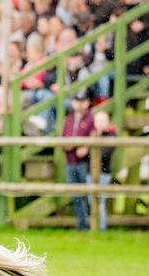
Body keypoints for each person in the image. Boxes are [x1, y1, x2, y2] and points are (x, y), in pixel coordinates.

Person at [62, 94, 95, 231]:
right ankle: (80, 223)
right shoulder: (69, 119)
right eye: (77, 101)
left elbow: (92, 136)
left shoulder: (90, 119)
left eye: (83, 101)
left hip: (84, 163)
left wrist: (85, 147)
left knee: (86, 195)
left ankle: (87, 223)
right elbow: (64, 138)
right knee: (76, 195)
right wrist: (69, 145)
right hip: (71, 161)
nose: (80, 104)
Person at [90, 111, 116, 231]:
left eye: (102, 121)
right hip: (90, 173)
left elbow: (103, 155)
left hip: (103, 173)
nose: (100, 124)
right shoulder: (92, 135)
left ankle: (101, 227)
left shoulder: (111, 136)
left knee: (100, 202)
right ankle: (94, 227)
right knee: (92, 201)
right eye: (98, 121)